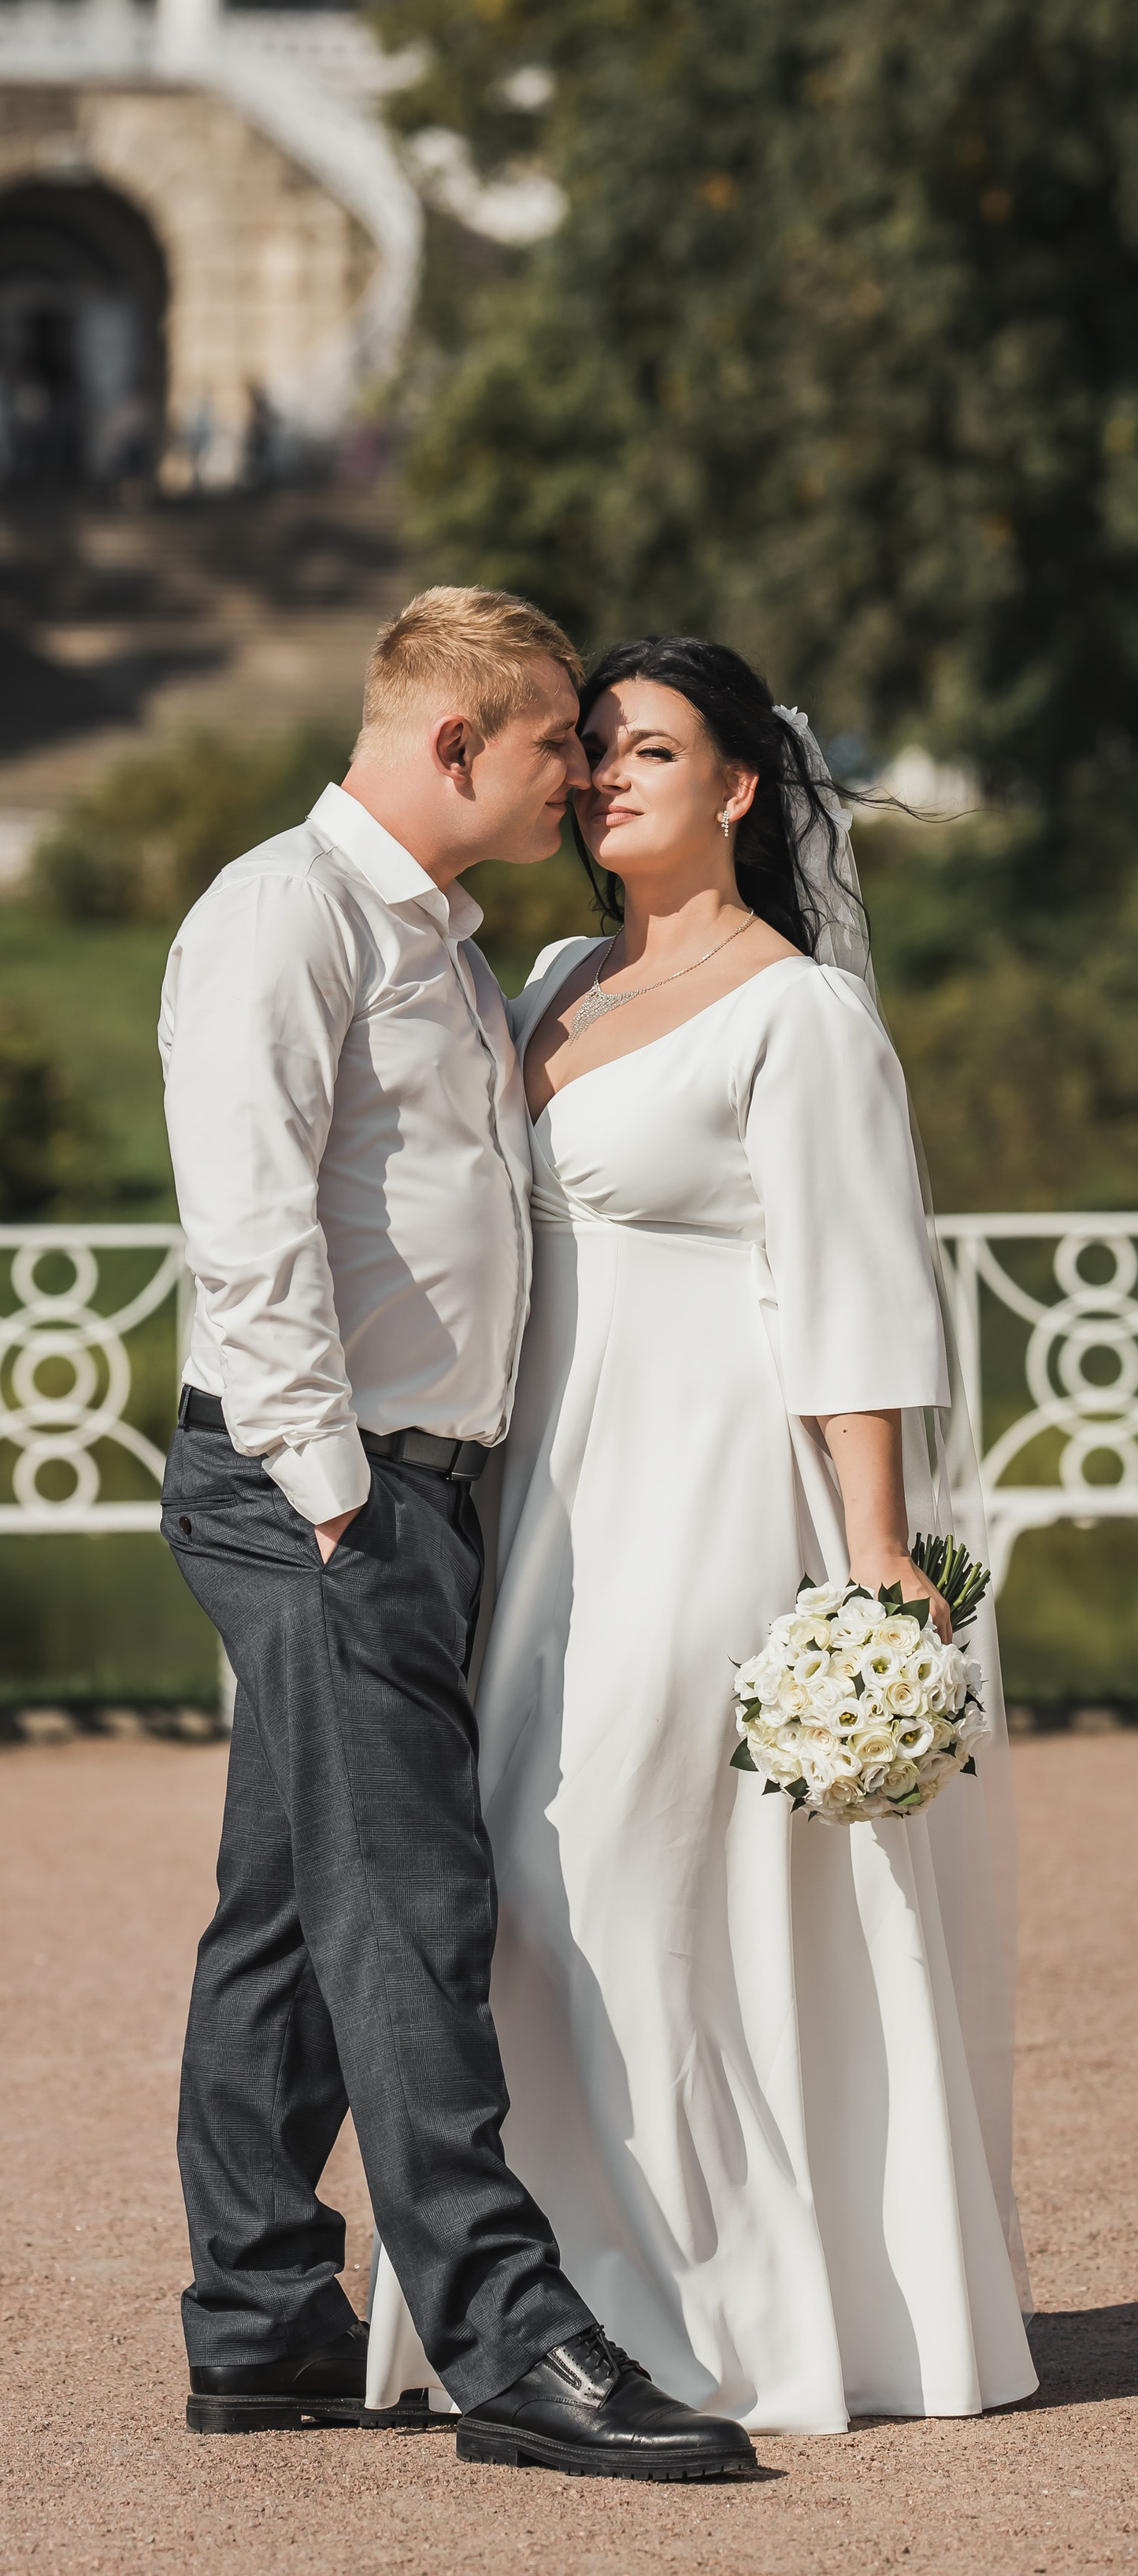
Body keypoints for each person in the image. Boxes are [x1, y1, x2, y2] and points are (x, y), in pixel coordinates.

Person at [364, 635, 1036, 2434]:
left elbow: (856, 1293)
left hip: (711, 1489)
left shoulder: (797, 1014)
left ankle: (725, 2321)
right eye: (588, 750)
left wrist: (876, 1563)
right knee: (513, 1884)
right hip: (543, 1497)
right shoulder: (562, 974)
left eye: (647, 748)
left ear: (739, 787)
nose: (601, 776)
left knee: (641, 1883)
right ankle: (529, 2312)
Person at [158, 587, 757, 2480]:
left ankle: (257, 2323)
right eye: (555, 742)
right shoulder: (284, 916)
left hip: (406, 1493)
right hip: (317, 1493)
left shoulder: (448, 944)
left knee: (283, 1916)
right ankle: (510, 2344)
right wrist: (337, 1505)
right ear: (455, 744)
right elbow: (247, 1237)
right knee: (416, 1912)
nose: (577, 771)